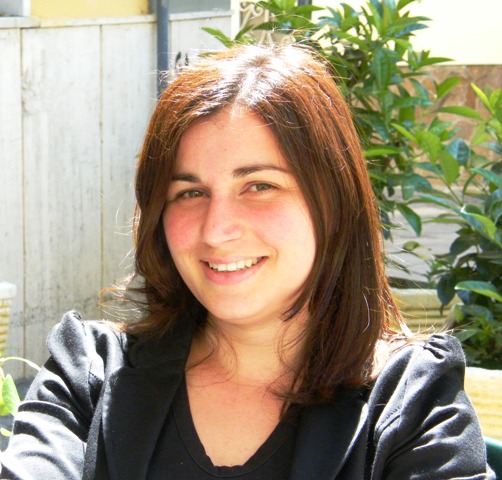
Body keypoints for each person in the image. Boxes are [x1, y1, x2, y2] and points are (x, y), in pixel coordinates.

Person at [0, 45, 494, 479]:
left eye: (259, 186)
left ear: (334, 203)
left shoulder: (412, 403)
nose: (216, 230)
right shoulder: (88, 375)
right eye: (190, 192)